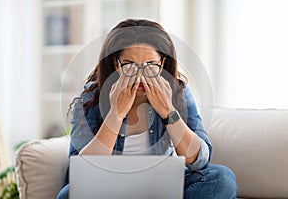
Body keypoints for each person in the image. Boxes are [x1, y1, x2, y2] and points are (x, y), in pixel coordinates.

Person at [57, 19, 237, 199]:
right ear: (116, 64)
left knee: (222, 179)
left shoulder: (177, 91)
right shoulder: (91, 96)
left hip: (160, 187)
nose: (140, 76)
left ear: (163, 62)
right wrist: (115, 115)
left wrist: (168, 112)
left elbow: (199, 161)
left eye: (151, 65)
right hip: (109, 189)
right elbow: (81, 169)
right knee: (68, 194)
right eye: (130, 65)